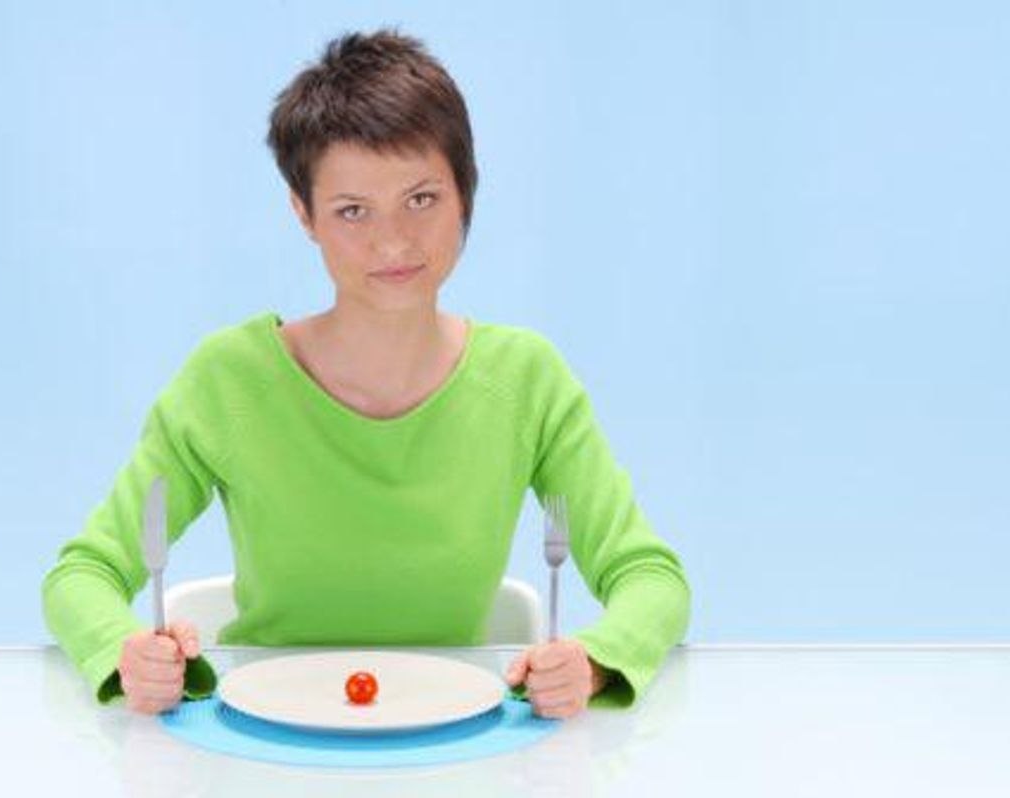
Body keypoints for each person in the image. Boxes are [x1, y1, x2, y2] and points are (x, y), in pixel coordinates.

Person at [42, 28, 691, 720]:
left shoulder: (527, 381)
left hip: (456, 741)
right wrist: (124, 652)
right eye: (353, 211)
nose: (393, 241)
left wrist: (595, 661)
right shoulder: (228, 381)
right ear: (304, 214)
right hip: (262, 738)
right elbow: (83, 573)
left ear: (466, 192)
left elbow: (650, 577)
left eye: (422, 199)